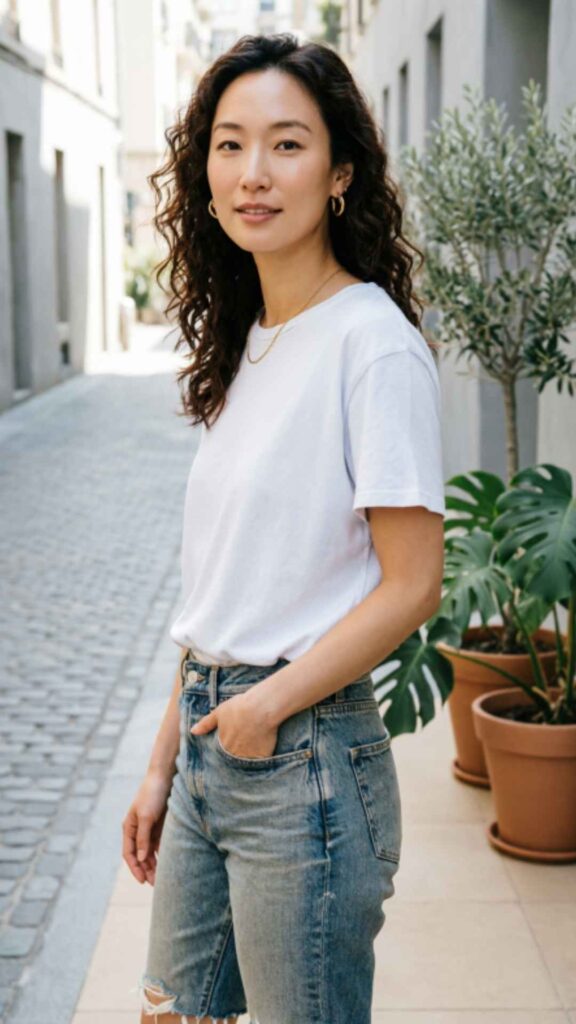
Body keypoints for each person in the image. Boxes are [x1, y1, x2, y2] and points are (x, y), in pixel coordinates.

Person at [122, 31, 445, 1024]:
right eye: (230, 144)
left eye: (288, 144)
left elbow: (412, 583)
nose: (253, 172)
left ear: (341, 173)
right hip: (210, 745)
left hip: (301, 759)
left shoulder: (372, 344)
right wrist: (161, 764)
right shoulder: (251, 342)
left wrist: (264, 709)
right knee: (172, 1013)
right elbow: (225, 588)